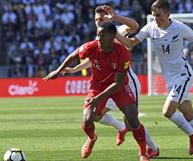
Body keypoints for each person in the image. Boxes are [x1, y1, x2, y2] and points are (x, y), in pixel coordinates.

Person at [115, 0, 193, 158]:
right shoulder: (150, 28)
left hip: (183, 75)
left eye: (159, 15)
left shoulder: (179, 27)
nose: (156, 18)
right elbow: (130, 43)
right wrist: (113, 33)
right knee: (190, 116)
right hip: (171, 80)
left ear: (168, 14)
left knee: (167, 111)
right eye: (154, 15)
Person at [61, 5, 159, 158]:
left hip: (126, 81)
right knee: (96, 116)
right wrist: (75, 69)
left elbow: (134, 26)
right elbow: (91, 61)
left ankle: (152, 148)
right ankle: (120, 128)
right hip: (107, 84)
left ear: (107, 18)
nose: (98, 22)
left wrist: (116, 18)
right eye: (96, 20)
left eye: (101, 19)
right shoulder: (98, 38)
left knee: (131, 120)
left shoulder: (116, 31)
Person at [43, 22, 150, 161]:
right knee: (87, 119)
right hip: (97, 86)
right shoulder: (92, 46)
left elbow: (117, 84)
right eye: (98, 34)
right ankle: (92, 138)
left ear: (112, 36)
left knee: (132, 119)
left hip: (119, 88)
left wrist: (98, 99)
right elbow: (73, 56)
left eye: (102, 35)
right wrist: (58, 71)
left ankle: (143, 153)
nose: (98, 38)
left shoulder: (123, 54)